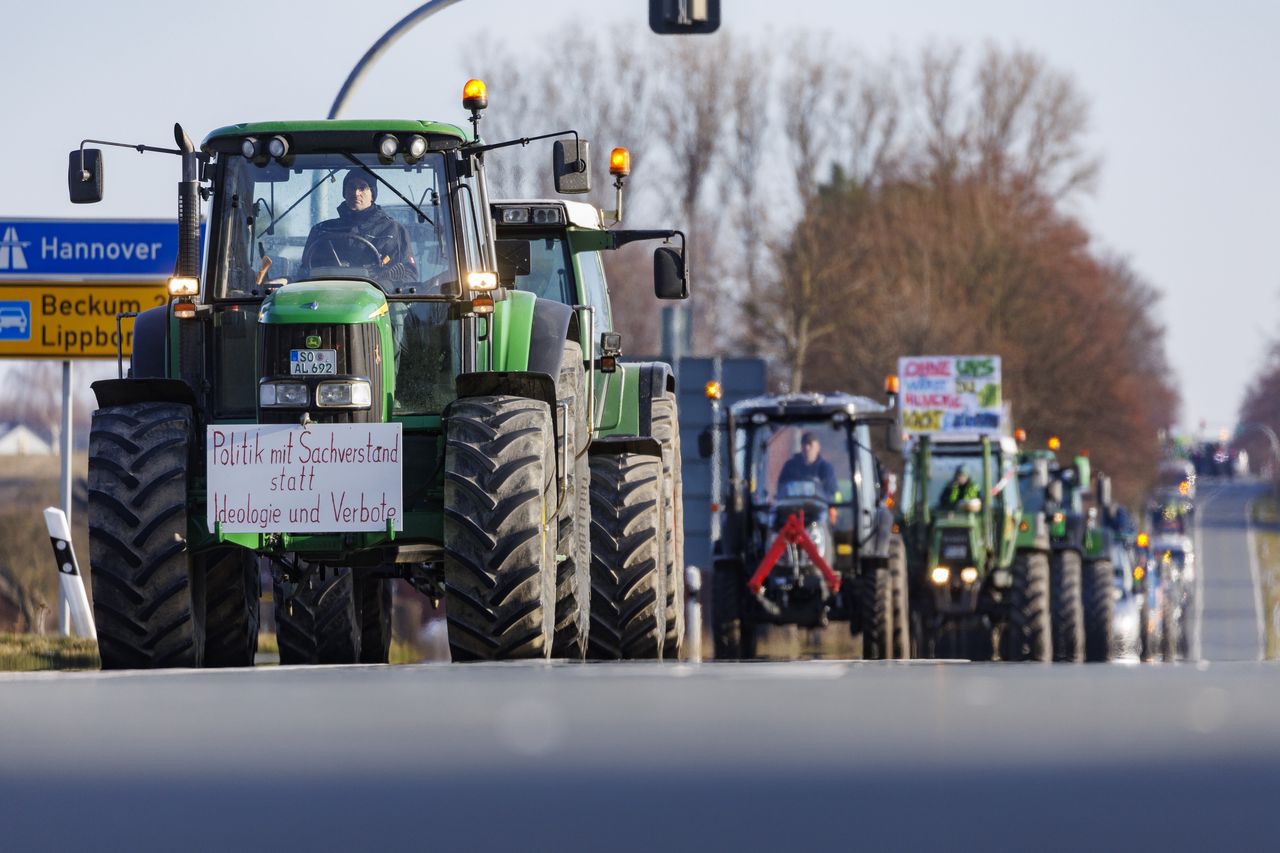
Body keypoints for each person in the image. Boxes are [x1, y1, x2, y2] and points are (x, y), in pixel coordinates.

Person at [302, 169, 416, 281]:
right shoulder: (322, 230)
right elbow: (304, 272)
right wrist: (286, 279)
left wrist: (381, 283)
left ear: (372, 194)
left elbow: (409, 275)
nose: (356, 193)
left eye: (362, 188)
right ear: (344, 193)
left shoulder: (393, 230)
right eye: (351, 187)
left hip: (378, 297)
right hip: (327, 295)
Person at [777, 431, 838, 501]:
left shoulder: (825, 468)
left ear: (818, 447)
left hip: (818, 508)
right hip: (792, 507)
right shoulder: (790, 467)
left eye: (810, 444)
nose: (807, 448)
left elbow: (830, 493)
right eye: (804, 444)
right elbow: (781, 490)